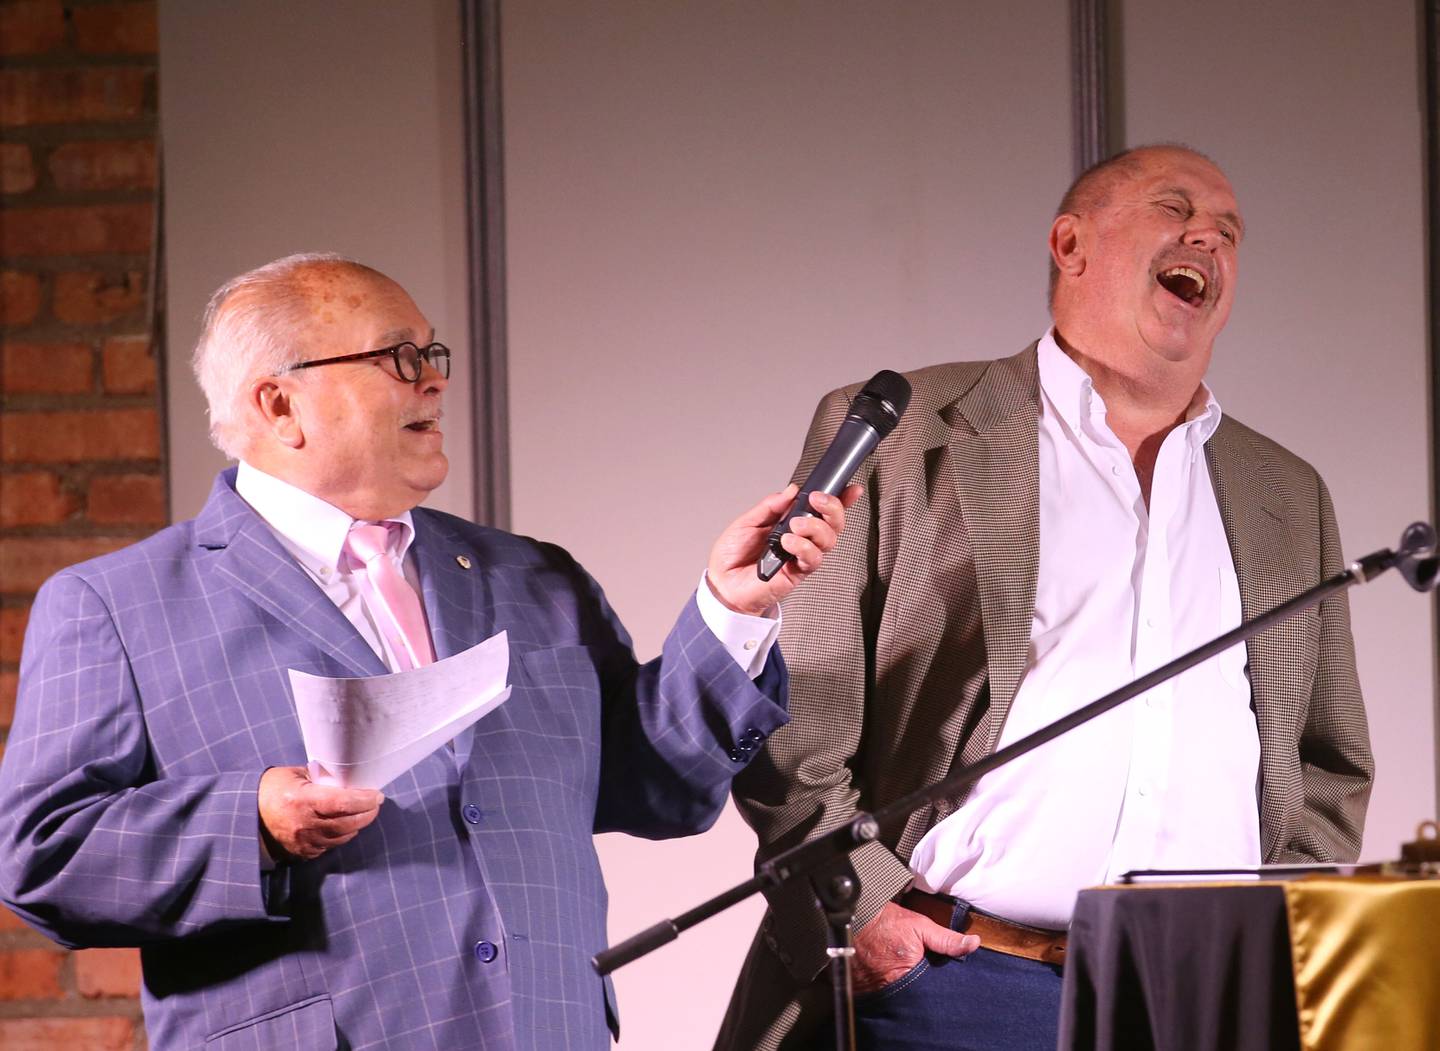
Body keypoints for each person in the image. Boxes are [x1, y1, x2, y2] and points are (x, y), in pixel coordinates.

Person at [0, 253, 859, 1051]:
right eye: (398, 357)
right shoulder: (116, 605)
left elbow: (657, 786)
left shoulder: (534, 578)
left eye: (432, 351)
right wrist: (253, 824)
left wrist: (730, 611)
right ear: (278, 405)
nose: (435, 377)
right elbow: (42, 852)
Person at [715, 145, 1374, 1051]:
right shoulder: (910, 434)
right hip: (955, 981)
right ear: (1071, 245)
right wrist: (865, 910)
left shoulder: (1284, 493)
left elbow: (1328, 761)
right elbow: (797, 713)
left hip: (1203, 995)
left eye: (1229, 233)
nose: (1208, 240)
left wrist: (1276, 937)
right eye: (1175, 210)